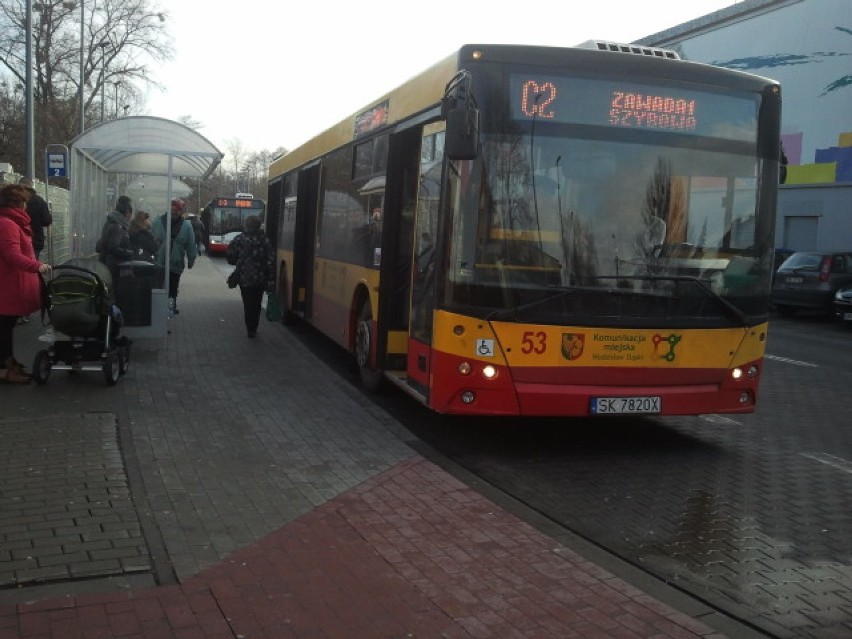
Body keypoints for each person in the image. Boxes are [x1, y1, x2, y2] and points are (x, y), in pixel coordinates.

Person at [0, 184, 52, 383]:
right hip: (7, 285)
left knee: (6, 327)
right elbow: (11, 255)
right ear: (18, 204)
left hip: (9, 283)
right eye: (24, 203)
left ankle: (9, 362)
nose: (26, 207)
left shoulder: (12, 222)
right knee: (4, 328)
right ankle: (6, 368)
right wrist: (36, 265)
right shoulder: (8, 224)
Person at [226, 215, 274, 338]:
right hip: (260, 278)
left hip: (244, 278)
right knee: (257, 303)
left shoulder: (239, 239)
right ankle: (254, 326)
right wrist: (271, 279)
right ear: (259, 226)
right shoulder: (265, 240)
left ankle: (250, 329)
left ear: (246, 225)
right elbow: (271, 261)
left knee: (248, 304)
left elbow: (230, 258)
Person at [152, 198, 197, 315]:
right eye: (172, 209)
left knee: (172, 288)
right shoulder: (158, 222)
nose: (174, 212)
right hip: (159, 262)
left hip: (175, 264)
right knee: (159, 286)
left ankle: (170, 308)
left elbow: (191, 244)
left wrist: (191, 260)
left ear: (180, 211)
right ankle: (159, 308)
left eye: (176, 210)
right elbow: (150, 240)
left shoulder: (187, 226)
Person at [97, 195, 135, 288]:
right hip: (114, 267)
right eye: (131, 212)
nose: (131, 216)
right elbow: (113, 247)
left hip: (108, 264)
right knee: (114, 292)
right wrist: (129, 252)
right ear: (127, 212)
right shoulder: (118, 226)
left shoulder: (111, 222)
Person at [19, 176, 53, 260]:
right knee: (33, 262)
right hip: (35, 240)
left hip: (17, 239)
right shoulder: (39, 201)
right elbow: (46, 220)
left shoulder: (14, 200)